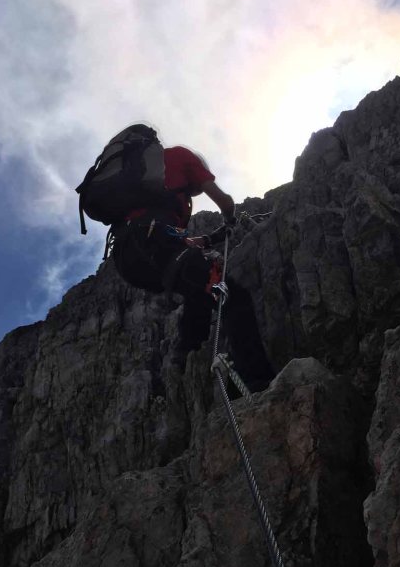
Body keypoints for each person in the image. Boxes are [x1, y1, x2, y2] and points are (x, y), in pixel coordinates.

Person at [106, 125, 274, 387]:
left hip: (129, 260)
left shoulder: (149, 186)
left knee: (197, 286)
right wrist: (229, 220)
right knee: (234, 296)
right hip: (153, 242)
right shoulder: (183, 157)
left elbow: (179, 244)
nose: (194, 195)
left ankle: (186, 351)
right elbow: (224, 201)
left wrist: (211, 238)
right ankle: (259, 382)